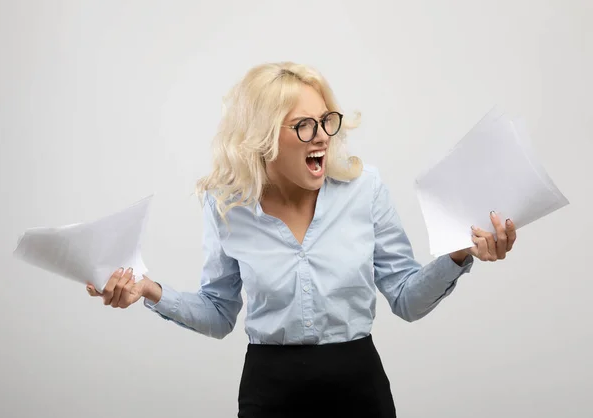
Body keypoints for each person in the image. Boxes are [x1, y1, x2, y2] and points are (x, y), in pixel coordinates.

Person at [86, 62, 517, 417]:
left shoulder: (364, 188)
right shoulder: (227, 206)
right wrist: (148, 289)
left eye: (326, 121)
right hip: (269, 394)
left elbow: (406, 298)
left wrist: (459, 252)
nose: (323, 136)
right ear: (263, 139)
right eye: (304, 126)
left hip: (359, 391)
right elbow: (219, 314)